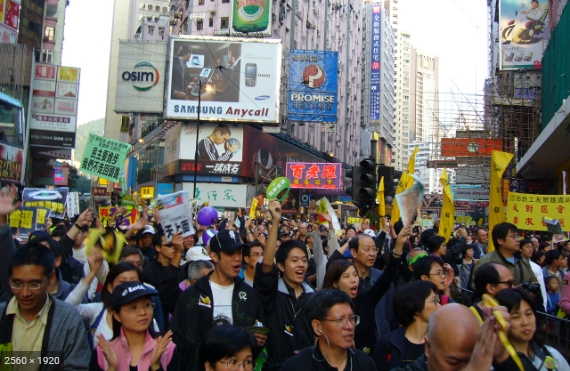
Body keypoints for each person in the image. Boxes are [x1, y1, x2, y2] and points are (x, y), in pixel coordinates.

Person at [169, 229, 265, 371]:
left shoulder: (250, 296)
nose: (237, 258)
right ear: (214, 256)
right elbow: (178, 344)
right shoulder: (191, 296)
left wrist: (256, 340)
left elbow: (255, 345)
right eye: (230, 253)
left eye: (239, 252)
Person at [0, 241, 91, 369]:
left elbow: (76, 366)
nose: (25, 293)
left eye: (34, 284)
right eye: (17, 284)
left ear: (51, 277)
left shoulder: (68, 320)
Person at [321, 224, 408, 354]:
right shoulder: (325, 305)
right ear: (335, 282)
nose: (353, 280)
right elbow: (331, 264)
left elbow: (388, 276)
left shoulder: (366, 298)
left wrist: (399, 245)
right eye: (347, 276)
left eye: (355, 275)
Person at [254, 201, 314, 371]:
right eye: (294, 261)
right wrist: (275, 221)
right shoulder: (271, 293)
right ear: (280, 266)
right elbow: (266, 266)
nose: (301, 265)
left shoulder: (313, 297)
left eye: (303, 260)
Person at [66, 260, 163, 348]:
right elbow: (66, 310)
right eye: (122, 282)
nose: (128, 287)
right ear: (110, 287)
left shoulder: (147, 319)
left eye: (133, 282)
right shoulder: (98, 311)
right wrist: (92, 274)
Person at [278, 289, 376, 371]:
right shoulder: (296, 366)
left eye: (351, 319)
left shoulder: (365, 364)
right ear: (317, 326)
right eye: (339, 320)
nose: (349, 326)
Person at [93, 281, 179, 371]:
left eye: (147, 305)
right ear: (117, 315)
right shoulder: (103, 351)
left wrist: (156, 367)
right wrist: (111, 368)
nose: (143, 312)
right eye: (133, 308)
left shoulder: (167, 348)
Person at [494, 288, 570, 370]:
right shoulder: (492, 364)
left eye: (528, 314)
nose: (525, 322)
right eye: (516, 317)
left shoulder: (551, 354)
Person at [374, 281, 441, 371]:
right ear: (416, 309)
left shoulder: (440, 342)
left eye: (438, 301)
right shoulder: (388, 345)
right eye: (434, 301)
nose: (439, 306)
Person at [472, 222, 537, 287]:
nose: (518, 239)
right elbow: (476, 287)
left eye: (518, 236)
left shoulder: (523, 261)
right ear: (500, 240)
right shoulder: (487, 261)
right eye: (513, 236)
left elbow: (535, 282)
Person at [520, 238, 548, 310]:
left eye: (531, 247)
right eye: (527, 247)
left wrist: (544, 306)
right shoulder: (515, 264)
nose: (530, 249)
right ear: (520, 249)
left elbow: (541, 287)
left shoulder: (536, 267)